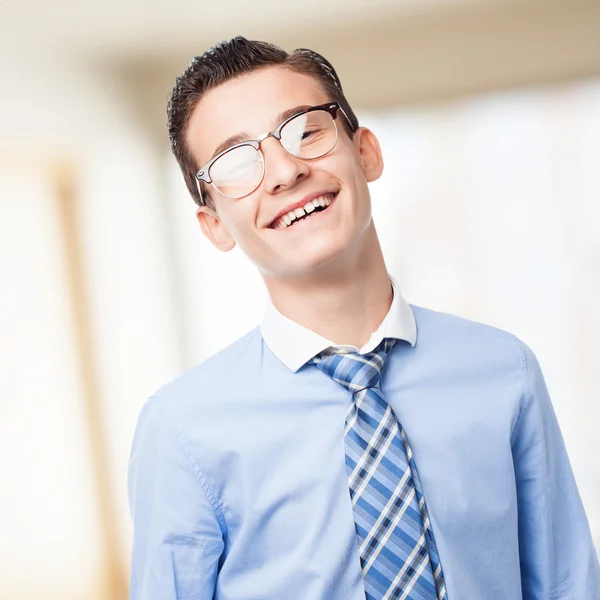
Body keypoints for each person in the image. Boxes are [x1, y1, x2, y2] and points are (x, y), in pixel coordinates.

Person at [127, 37, 600, 600]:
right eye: (236, 163)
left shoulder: (505, 371)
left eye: (305, 130)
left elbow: (567, 584)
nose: (283, 171)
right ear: (215, 226)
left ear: (366, 152)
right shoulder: (182, 428)